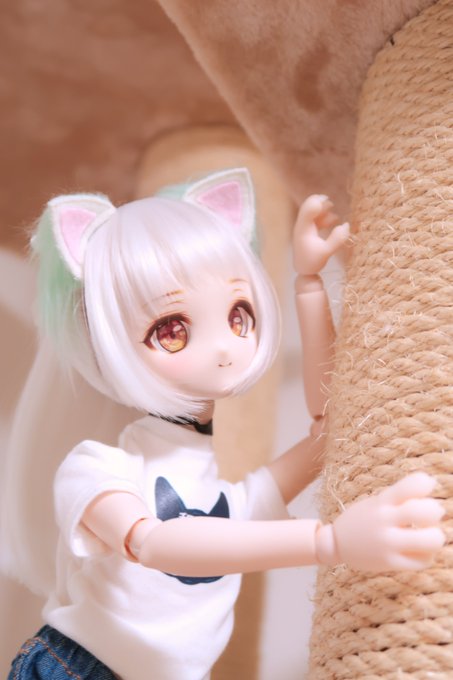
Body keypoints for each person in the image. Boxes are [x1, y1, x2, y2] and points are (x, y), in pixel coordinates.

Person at [3, 169, 445, 680]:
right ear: (103, 342)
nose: (223, 346)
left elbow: (326, 431)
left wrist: (308, 287)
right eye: (171, 330)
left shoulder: (229, 504)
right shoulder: (95, 469)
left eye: (239, 316)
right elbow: (156, 545)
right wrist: (327, 542)